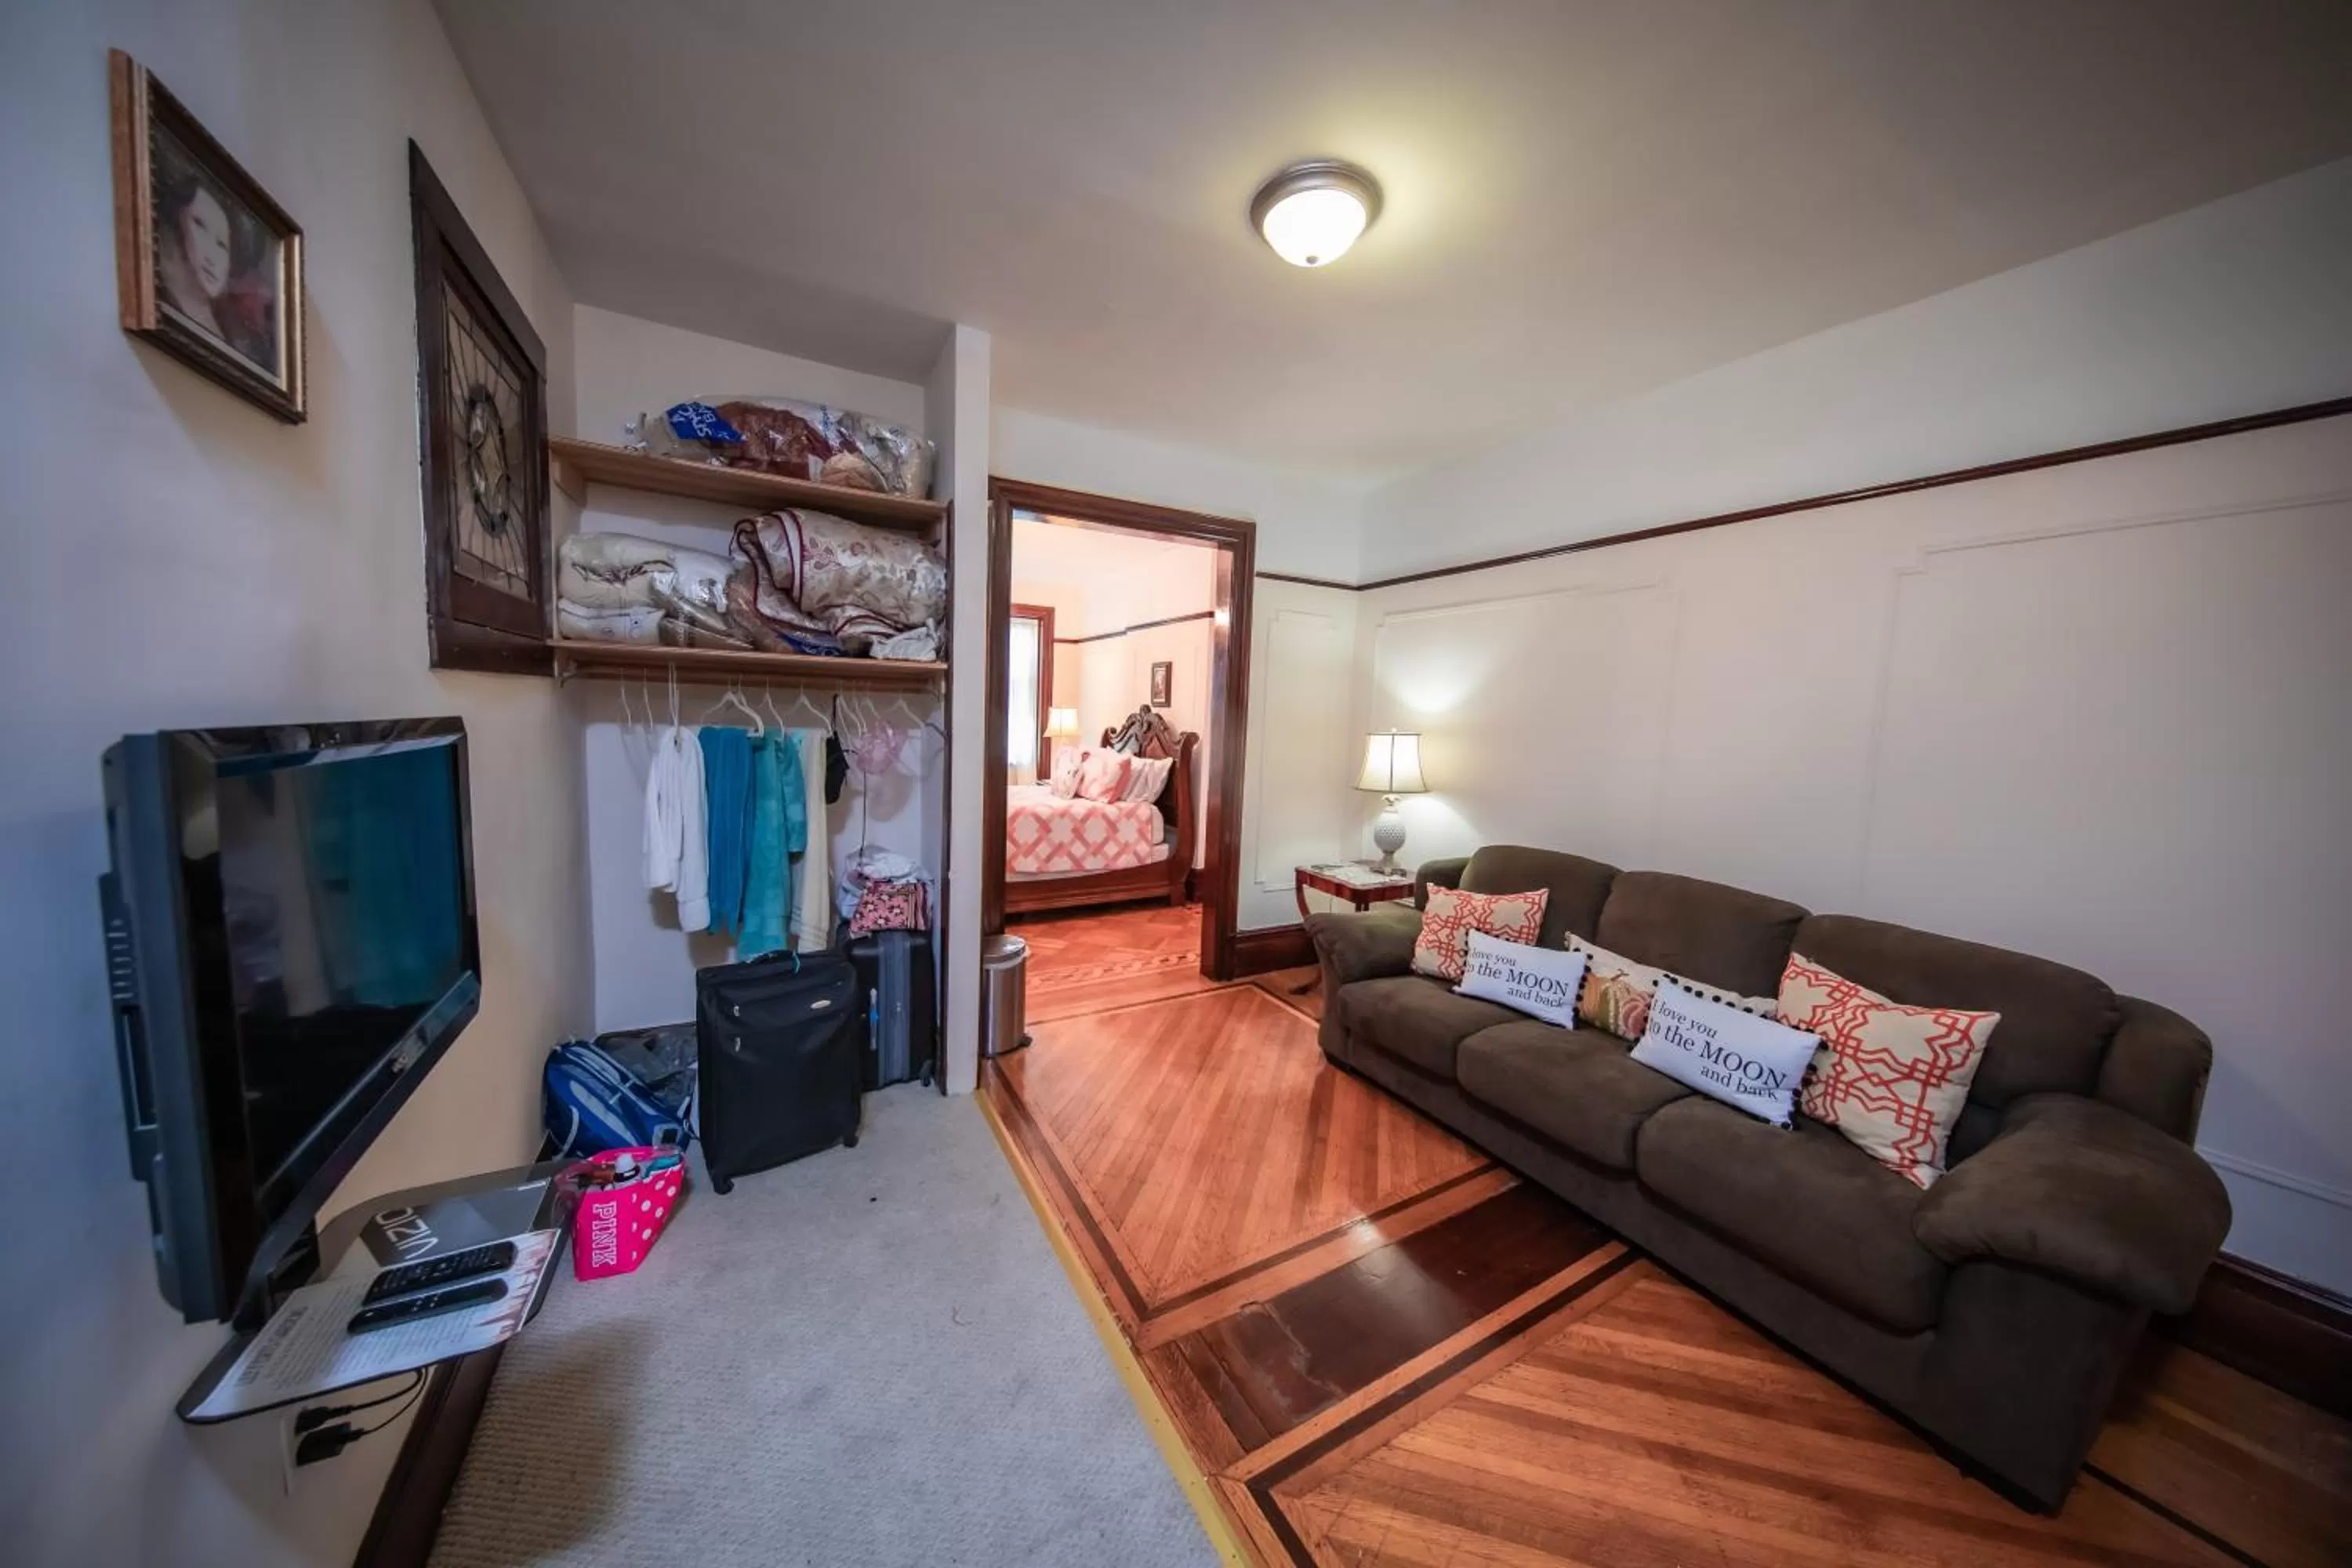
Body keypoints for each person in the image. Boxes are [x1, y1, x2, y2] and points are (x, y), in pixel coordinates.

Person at [154, 154, 275, 369]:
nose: (211, 255)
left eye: (222, 245)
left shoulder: (244, 342)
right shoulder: (164, 302)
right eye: (200, 225)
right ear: (179, 225)